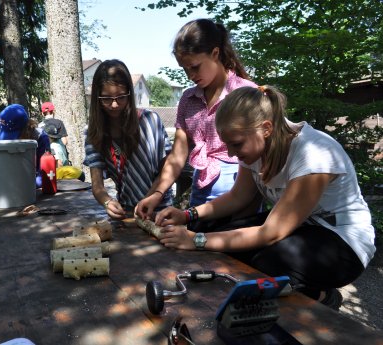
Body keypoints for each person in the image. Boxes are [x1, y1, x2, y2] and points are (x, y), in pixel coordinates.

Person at [155, 85, 376, 310]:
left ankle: (321, 296)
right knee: (217, 234)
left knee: (266, 261)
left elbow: (271, 233)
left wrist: (195, 240)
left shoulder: (314, 153)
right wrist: (187, 215)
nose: (231, 154)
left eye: (236, 144)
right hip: (302, 227)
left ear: (266, 128)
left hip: (343, 241)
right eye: (227, 145)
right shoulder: (255, 147)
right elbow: (237, 197)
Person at [136, 18, 259, 222]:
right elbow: (177, 157)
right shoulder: (188, 99)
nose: (190, 75)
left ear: (215, 53)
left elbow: (260, 158)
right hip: (200, 195)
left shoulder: (246, 94)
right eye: (184, 69)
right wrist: (156, 194)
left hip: (238, 198)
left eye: (195, 67)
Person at [84, 59, 173, 220]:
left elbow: (167, 168)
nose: (114, 105)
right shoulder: (94, 133)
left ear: (130, 94)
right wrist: (107, 202)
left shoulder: (150, 121)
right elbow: (97, 185)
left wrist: (152, 196)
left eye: (121, 97)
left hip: (161, 211)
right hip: (127, 213)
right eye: (106, 99)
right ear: (97, 98)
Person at [0, 104, 51, 188]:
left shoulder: (40, 138)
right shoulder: (4, 133)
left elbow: (43, 177)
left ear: (26, 128)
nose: (11, 141)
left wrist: (16, 185)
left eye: (14, 136)